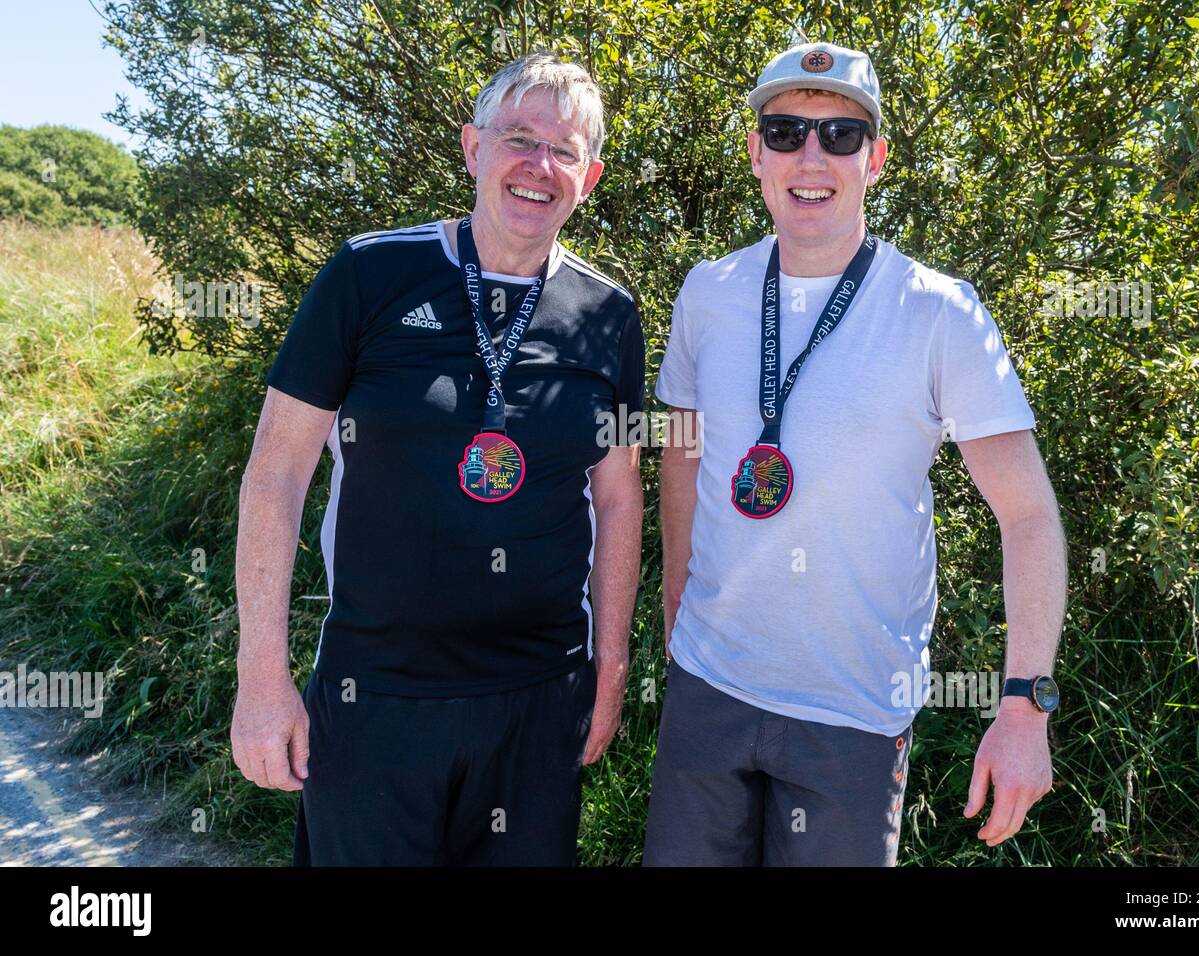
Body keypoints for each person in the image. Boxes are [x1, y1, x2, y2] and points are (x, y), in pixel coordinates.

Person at [644, 41, 1065, 866]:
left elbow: (1028, 515)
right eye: (787, 131)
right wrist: (673, 610)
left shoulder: (941, 311)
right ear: (757, 153)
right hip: (707, 688)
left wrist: (1023, 706)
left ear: (874, 160)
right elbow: (681, 455)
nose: (812, 156)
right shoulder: (709, 291)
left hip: (856, 715)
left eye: (840, 136)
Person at [231, 51, 645, 866]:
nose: (539, 166)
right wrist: (262, 677)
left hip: (537, 697)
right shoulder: (370, 273)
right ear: (472, 148)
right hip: (375, 692)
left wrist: (612, 667)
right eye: (519, 138)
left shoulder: (609, 314)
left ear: (588, 179)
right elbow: (277, 471)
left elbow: (620, 497)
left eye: (563, 151)